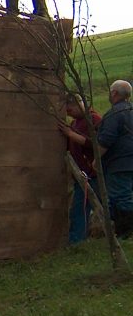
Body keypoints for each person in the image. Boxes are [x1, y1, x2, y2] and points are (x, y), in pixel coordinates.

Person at [59, 93, 101, 243]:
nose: (69, 114)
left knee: (81, 208)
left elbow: (94, 144)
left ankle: (77, 241)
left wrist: (70, 134)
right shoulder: (75, 123)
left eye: (70, 110)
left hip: (92, 174)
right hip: (81, 175)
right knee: (80, 208)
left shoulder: (93, 120)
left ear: (78, 104)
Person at [96, 80, 133, 237]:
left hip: (119, 163)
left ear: (114, 93)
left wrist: (96, 160)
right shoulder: (131, 111)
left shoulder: (115, 114)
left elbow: (106, 139)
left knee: (121, 197)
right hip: (129, 162)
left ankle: (126, 233)